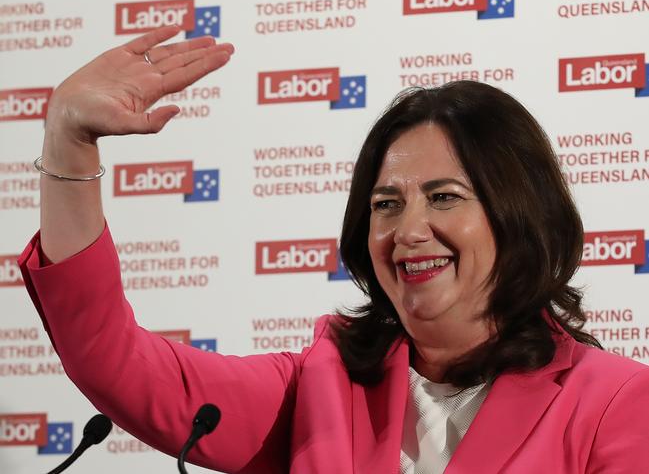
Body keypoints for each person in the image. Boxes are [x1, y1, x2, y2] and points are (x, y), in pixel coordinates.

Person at [19, 25, 649, 473]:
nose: (408, 231)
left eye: (446, 196)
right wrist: (69, 142)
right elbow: (113, 360)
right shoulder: (321, 387)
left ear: (520, 216)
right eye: (386, 204)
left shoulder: (614, 403)